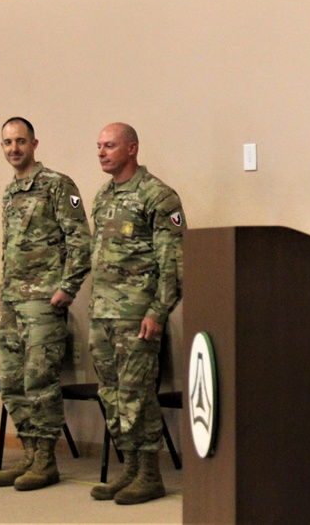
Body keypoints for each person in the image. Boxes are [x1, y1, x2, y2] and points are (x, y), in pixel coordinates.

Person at [0, 117, 92, 491]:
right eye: (7, 143)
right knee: (13, 383)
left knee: (40, 381)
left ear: (35, 143)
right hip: (13, 301)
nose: (13, 148)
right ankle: (30, 455)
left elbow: (80, 239)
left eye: (20, 141)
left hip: (43, 301)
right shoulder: (9, 192)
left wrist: (67, 287)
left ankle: (46, 461)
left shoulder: (56, 185)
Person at [88, 122, 185, 505]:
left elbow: (173, 262)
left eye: (109, 145)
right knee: (111, 395)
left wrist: (158, 311)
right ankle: (128, 467)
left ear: (132, 148)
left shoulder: (157, 196)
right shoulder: (102, 196)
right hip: (103, 315)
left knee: (137, 395)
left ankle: (149, 474)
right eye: (98, 146)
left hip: (137, 316)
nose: (101, 152)